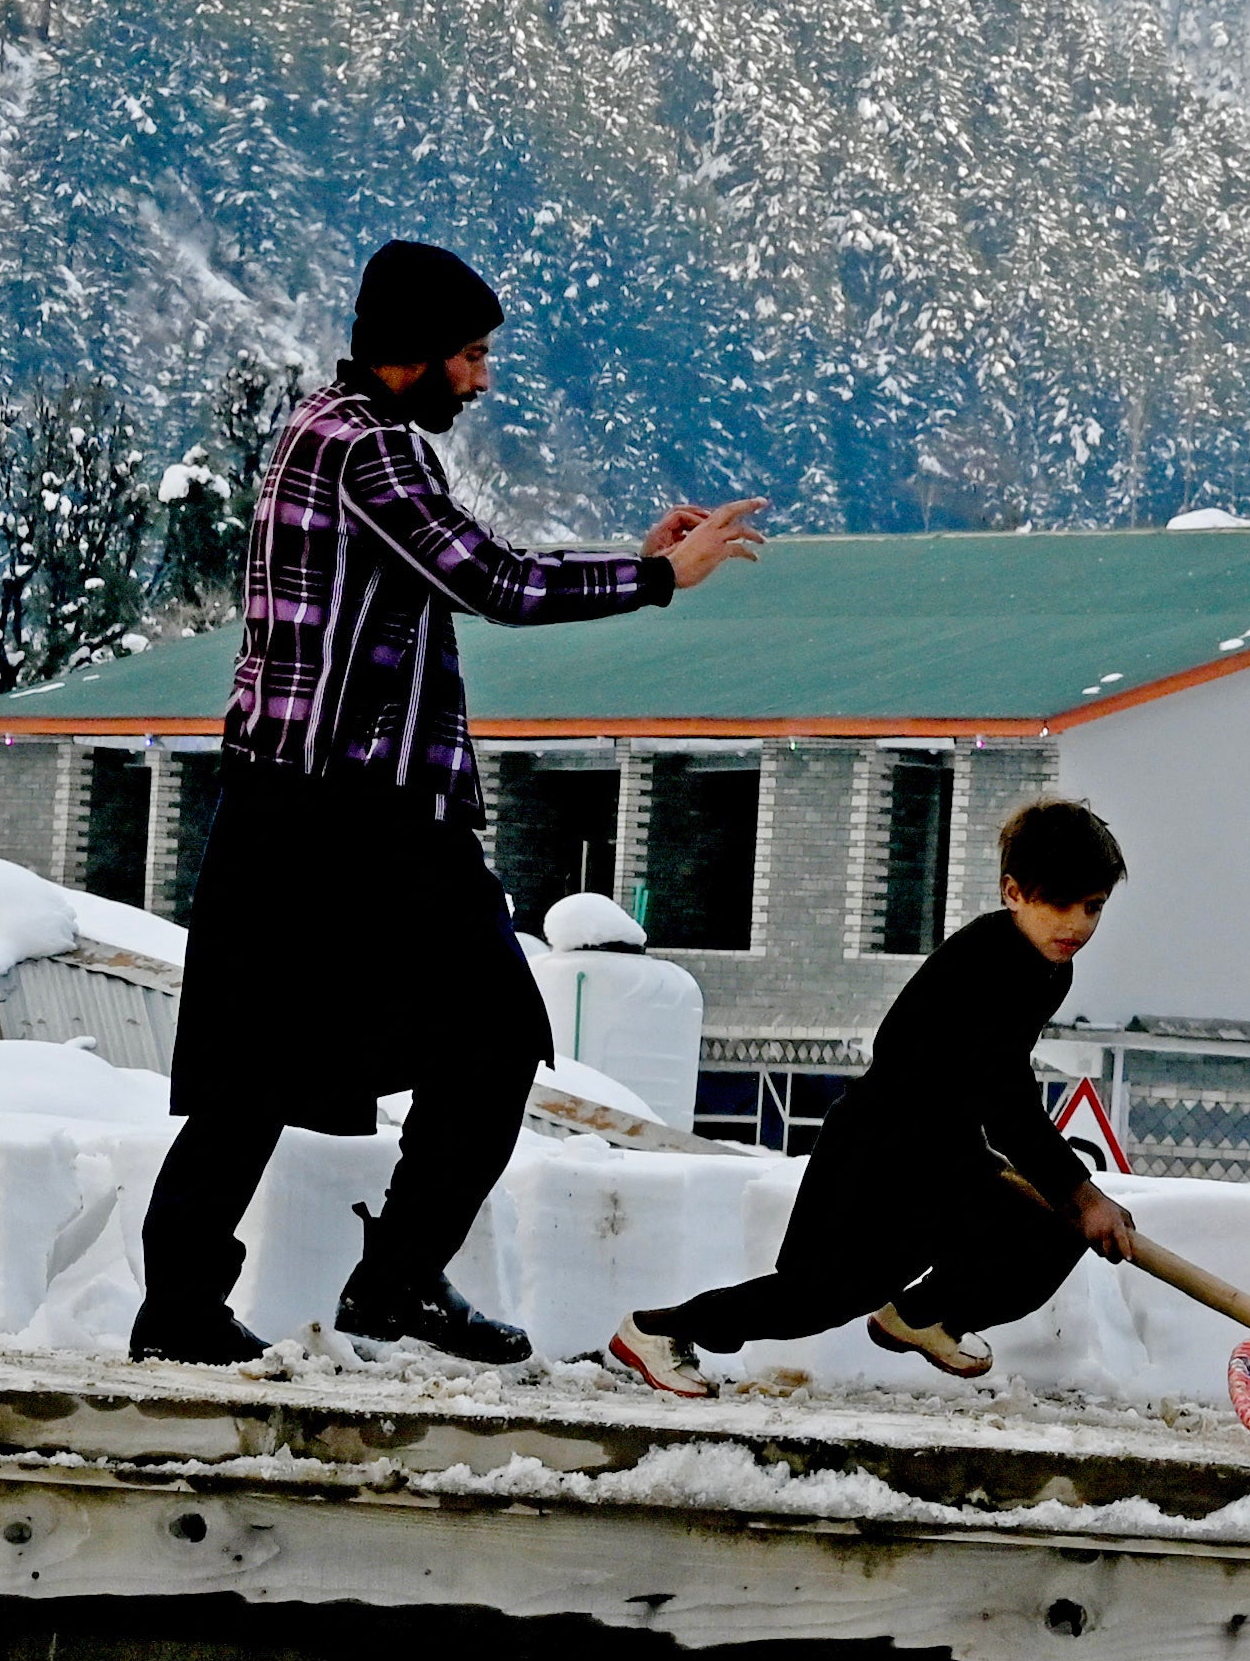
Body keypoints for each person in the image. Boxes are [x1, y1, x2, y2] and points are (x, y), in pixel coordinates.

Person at [129, 240, 770, 1367]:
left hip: (293, 802)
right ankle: (396, 1281)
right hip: (362, 813)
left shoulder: (316, 431)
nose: (479, 381)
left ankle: (185, 1304)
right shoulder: (371, 452)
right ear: (414, 355)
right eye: (469, 356)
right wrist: (662, 576)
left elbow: (459, 572)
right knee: (495, 1036)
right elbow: (495, 582)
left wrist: (628, 558)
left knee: (256, 1068)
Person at [607, 798, 1138, 1398]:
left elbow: (998, 1082)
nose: (1075, 925)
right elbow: (1004, 1095)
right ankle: (660, 1330)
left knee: (1055, 1227)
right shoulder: (988, 965)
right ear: (1014, 892)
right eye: (1058, 903)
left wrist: (1067, 1192)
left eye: (1091, 907)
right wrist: (1080, 1189)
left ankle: (922, 1316)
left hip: (946, 1150)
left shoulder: (1048, 968)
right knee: (820, 1294)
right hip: (877, 1145)